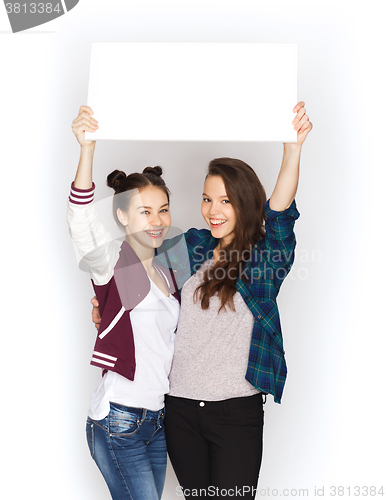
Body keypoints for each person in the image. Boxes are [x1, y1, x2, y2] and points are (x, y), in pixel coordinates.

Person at [91, 102, 313, 498]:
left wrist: (292, 150)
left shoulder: (263, 261)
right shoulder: (190, 247)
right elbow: (132, 274)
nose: (213, 210)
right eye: (208, 199)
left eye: (225, 201)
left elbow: (279, 214)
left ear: (245, 204)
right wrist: (105, 310)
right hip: (179, 411)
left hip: (237, 412)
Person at [67, 106, 181, 500]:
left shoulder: (169, 270)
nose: (157, 220)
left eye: (163, 210)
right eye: (144, 211)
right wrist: (87, 149)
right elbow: (81, 221)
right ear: (121, 215)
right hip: (119, 419)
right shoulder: (115, 261)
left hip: (156, 420)